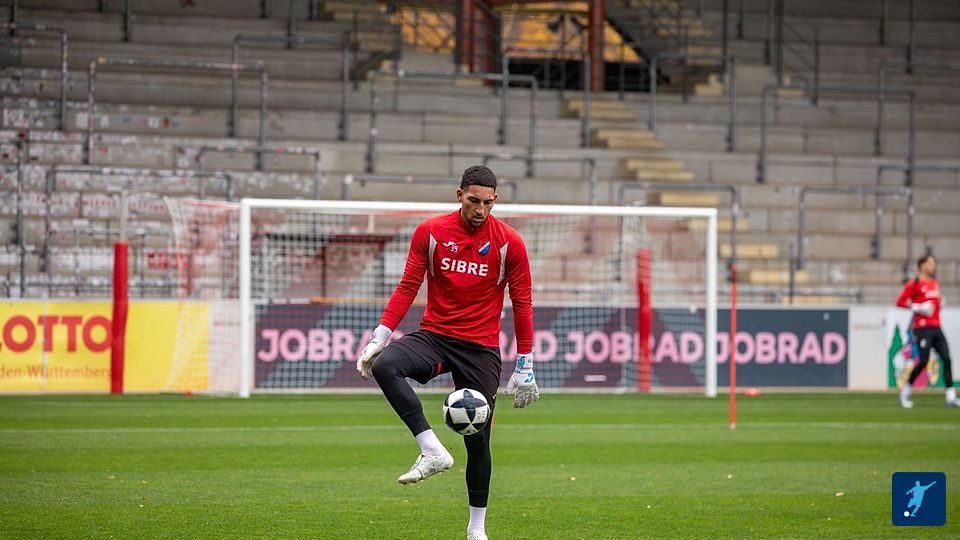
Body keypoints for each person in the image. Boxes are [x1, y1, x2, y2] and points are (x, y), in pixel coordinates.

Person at [356, 165, 540, 540]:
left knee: (479, 440)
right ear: (459, 195)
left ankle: (476, 529)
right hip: (436, 337)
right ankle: (432, 450)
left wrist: (526, 363)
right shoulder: (431, 232)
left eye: (488, 203)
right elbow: (408, 284)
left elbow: (522, 302)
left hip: (480, 349)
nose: (480, 209)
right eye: (473, 201)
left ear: (495, 200)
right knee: (386, 365)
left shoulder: (509, 243)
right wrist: (381, 334)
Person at [895, 254, 960, 408]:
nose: (933, 266)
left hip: (936, 326)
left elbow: (934, 305)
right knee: (924, 360)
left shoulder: (934, 283)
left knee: (947, 359)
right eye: (930, 263)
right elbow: (900, 302)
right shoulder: (915, 284)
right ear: (921, 265)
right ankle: (906, 390)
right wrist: (918, 307)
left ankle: (950, 396)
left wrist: (939, 304)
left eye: (934, 263)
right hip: (922, 328)